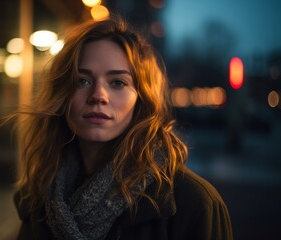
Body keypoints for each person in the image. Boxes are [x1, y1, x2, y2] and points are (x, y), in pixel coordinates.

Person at [13, 16, 233, 240]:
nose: (98, 96)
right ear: (62, 94)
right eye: (82, 80)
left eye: (118, 82)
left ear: (142, 99)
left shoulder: (195, 204)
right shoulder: (38, 199)